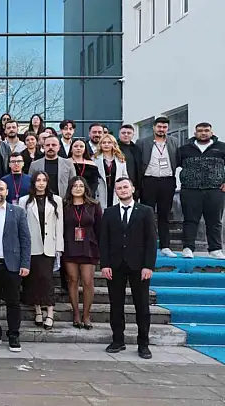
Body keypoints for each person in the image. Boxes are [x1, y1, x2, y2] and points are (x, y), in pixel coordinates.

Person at [100, 177, 157, 359]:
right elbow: (104, 241)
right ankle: (118, 340)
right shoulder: (109, 212)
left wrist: (148, 266)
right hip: (115, 265)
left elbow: (151, 240)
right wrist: (105, 264)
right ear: (115, 191)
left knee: (142, 306)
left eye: (125, 187)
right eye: (119, 188)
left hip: (139, 266)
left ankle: (143, 344)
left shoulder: (145, 211)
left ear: (132, 189)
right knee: (116, 305)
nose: (123, 190)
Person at [0, 180, 31, 352]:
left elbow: (25, 239)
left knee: (13, 301)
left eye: (1, 189)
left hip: (12, 264)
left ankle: (13, 335)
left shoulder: (17, 212)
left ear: (7, 192)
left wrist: (25, 263)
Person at [19, 171, 63, 330]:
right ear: (33, 182)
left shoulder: (56, 200)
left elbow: (60, 224)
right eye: (38, 180)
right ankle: (37, 310)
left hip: (49, 245)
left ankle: (50, 312)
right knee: (33, 279)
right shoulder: (24, 201)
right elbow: (22, 226)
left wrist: (59, 247)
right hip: (32, 246)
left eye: (44, 180)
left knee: (47, 279)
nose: (41, 183)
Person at [177, 122, 225, 259]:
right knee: (189, 220)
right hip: (190, 190)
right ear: (195, 133)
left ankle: (215, 249)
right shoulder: (184, 149)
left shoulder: (222, 147)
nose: (203, 133)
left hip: (215, 190)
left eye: (206, 130)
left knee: (215, 221)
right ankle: (188, 248)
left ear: (211, 132)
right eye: (200, 131)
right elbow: (175, 165)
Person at [136, 116, 179, 258]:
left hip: (167, 181)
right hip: (148, 181)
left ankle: (165, 246)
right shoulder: (142, 142)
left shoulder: (174, 141)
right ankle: (145, 245)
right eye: (159, 127)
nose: (162, 129)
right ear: (154, 127)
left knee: (164, 215)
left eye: (164, 127)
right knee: (146, 214)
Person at [62, 176, 101, 329]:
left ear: (85, 188)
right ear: (70, 188)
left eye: (81, 186)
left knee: (88, 281)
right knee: (72, 280)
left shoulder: (94, 205)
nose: (78, 188)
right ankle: (76, 314)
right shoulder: (64, 205)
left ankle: (86, 315)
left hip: (89, 246)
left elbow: (99, 228)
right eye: (75, 186)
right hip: (70, 246)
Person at [93, 134, 129, 209]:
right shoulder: (94, 159)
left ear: (113, 144)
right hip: (100, 191)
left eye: (109, 142)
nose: (106, 144)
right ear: (100, 145)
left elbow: (125, 177)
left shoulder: (120, 159)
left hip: (116, 191)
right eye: (104, 142)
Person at [117, 125, 143, 201]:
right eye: (123, 133)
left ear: (133, 135)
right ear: (119, 134)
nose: (126, 135)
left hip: (134, 186)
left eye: (129, 133)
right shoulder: (114, 148)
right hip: (119, 184)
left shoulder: (136, 149)